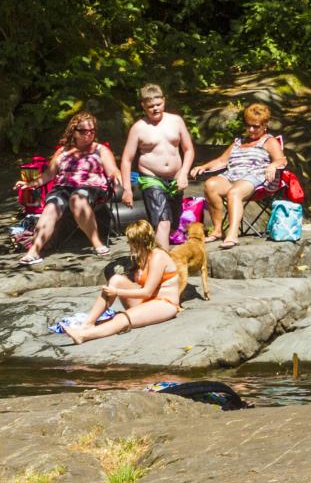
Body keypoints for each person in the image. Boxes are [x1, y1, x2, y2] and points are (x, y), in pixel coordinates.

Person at [20, 112, 123, 264]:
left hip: (91, 187)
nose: (89, 134)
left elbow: (113, 170)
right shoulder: (62, 151)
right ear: (74, 131)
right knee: (51, 206)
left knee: (77, 198)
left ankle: (97, 243)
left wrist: (117, 177)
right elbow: (48, 175)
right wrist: (29, 184)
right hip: (63, 187)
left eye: (92, 131)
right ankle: (34, 251)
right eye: (83, 131)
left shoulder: (100, 150)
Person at [64, 220, 181, 345]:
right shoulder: (142, 256)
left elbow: (147, 292)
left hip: (164, 304)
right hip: (147, 302)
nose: (129, 245)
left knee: (122, 317)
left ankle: (83, 336)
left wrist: (117, 292)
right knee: (116, 279)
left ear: (141, 242)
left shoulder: (158, 256)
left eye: (131, 242)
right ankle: (88, 324)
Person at [191, 103, 287, 250]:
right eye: (248, 126)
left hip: (256, 178)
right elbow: (222, 161)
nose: (251, 130)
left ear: (265, 125)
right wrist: (203, 167)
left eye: (256, 126)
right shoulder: (239, 142)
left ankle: (232, 234)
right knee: (210, 184)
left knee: (234, 192)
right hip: (232, 176)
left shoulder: (269, 141)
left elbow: (281, 160)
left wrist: (273, 165)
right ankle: (217, 230)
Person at [118, 84, 194, 252]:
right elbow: (126, 159)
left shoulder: (176, 121)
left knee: (173, 223)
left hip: (175, 178)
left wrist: (184, 173)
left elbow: (188, 150)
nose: (155, 109)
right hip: (151, 178)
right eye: (150, 106)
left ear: (164, 101)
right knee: (163, 221)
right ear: (143, 105)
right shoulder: (139, 127)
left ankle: (153, 254)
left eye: (158, 105)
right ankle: (164, 266)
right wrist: (127, 189)